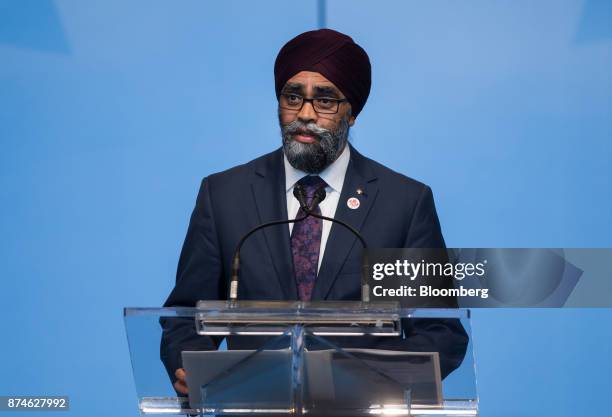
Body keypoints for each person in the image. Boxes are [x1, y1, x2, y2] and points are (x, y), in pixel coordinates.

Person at [161, 28, 468, 396]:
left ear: (351, 112)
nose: (305, 115)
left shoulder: (403, 203)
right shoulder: (224, 195)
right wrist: (190, 364)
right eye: (293, 97)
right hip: (250, 404)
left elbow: (441, 331)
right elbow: (187, 316)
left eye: (324, 101)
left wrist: (364, 379)